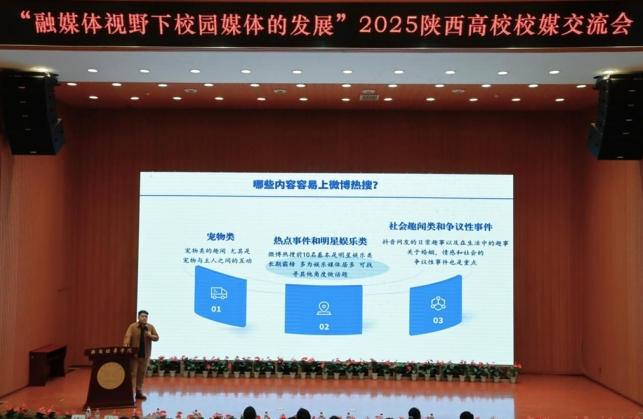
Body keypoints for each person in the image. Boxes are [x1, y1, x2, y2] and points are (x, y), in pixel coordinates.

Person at [123, 310, 159, 400]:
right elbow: (127, 336)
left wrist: (151, 336)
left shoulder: (150, 327)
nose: (144, 318)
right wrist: (126, 344)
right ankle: (129, 393)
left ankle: (139, 392)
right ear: (138, 317)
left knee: (141, 374)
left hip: (145, 355)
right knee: (133, 374)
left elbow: (157, 337)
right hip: (134, 356)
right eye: (142, 316)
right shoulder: (132, 326)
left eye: (146, 317)